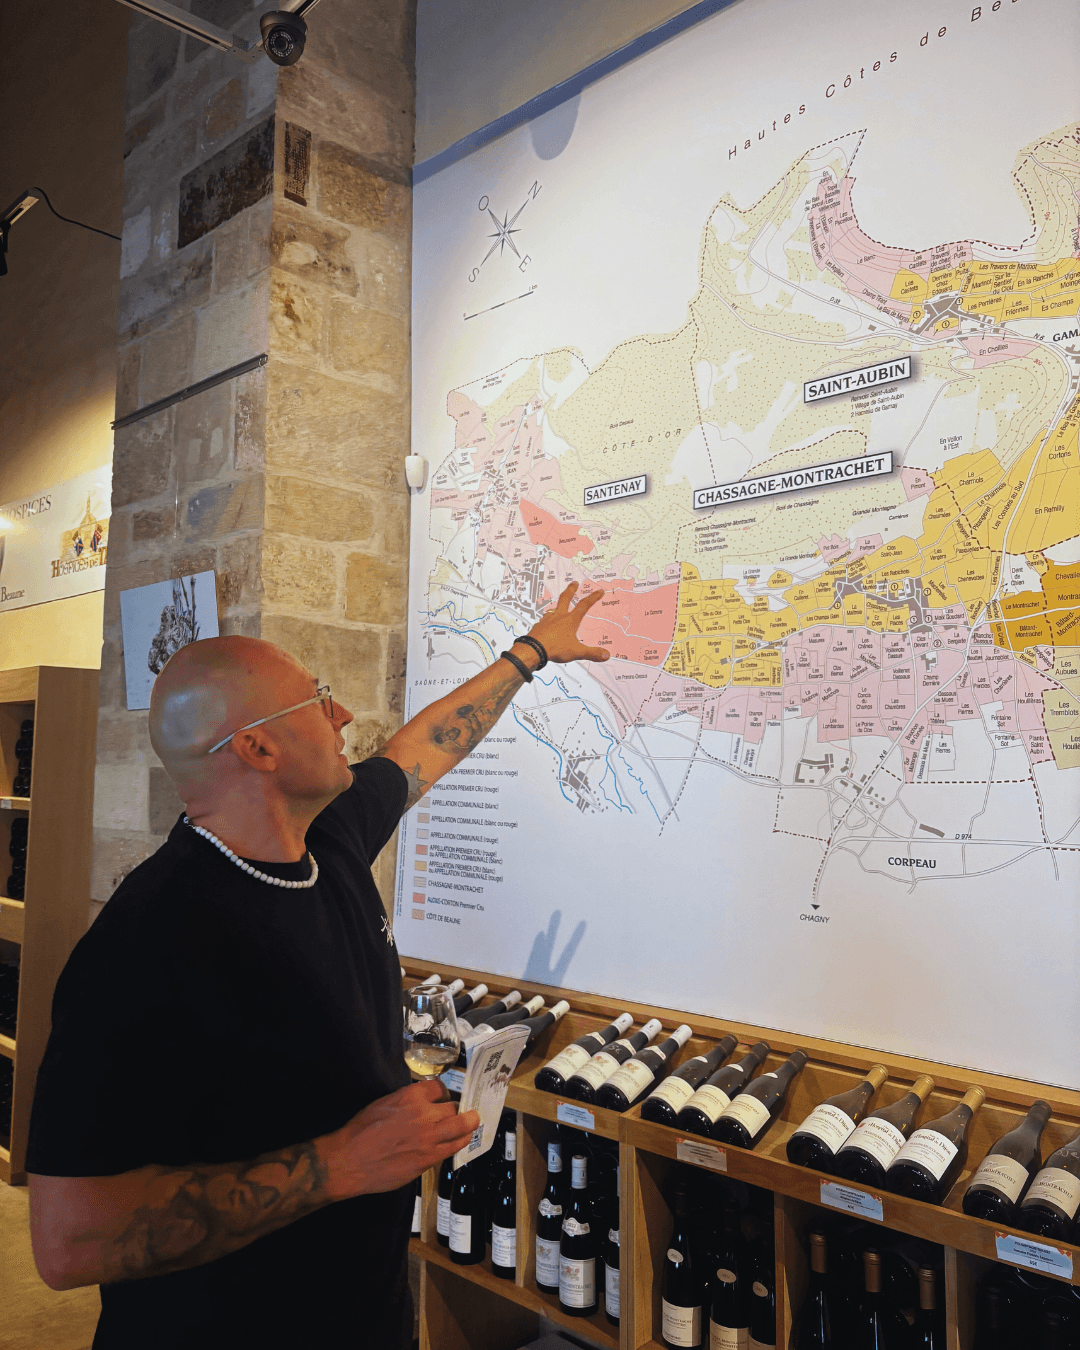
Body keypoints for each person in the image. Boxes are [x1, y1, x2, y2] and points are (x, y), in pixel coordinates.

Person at [26, 582, 609, 1349]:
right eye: (318, 699)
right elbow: (69, 1241)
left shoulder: (328, 837)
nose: (344, 716)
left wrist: (530, 654)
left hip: (367, 1318)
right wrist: (340, 1164)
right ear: (258, 749)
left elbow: (422, 749)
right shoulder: (150, 941)